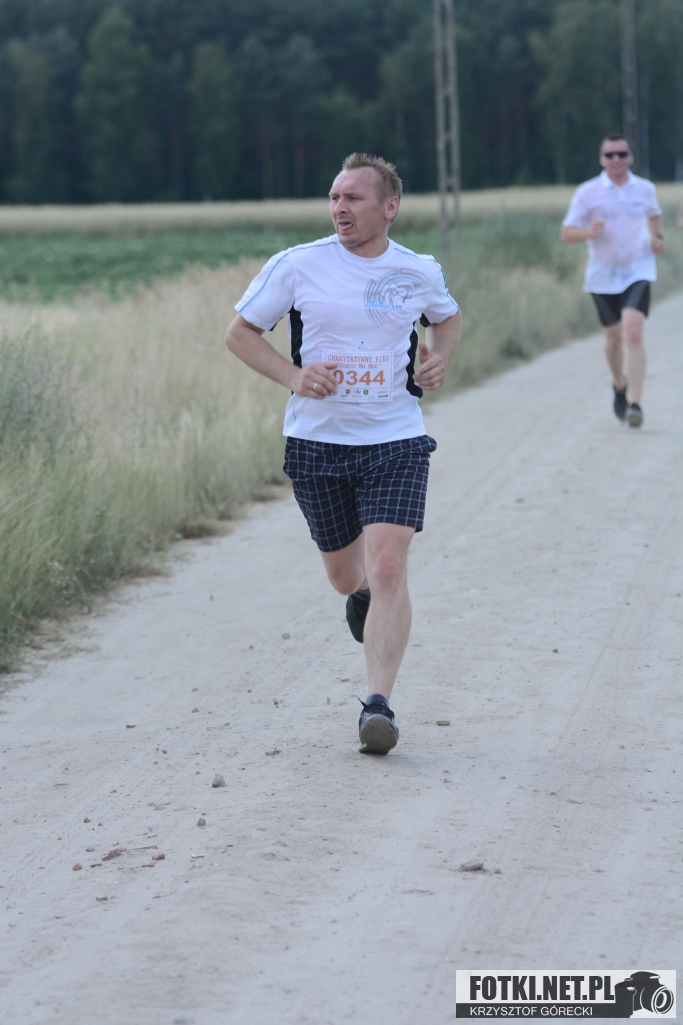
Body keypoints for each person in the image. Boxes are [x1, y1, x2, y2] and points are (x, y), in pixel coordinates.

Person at [225, 153, 461, 754]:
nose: (340, 208)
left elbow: (447, 317)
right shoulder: (297, 265)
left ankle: (377, 706)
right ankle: (359, 597)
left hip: (395, 439)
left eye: (354, 198)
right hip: (318, 444)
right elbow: (240, 334)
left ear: (390, 207)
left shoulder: (417, 270)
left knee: (388, 566)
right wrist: (294, 376)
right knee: (345, 576)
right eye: (334, 197)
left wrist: (438, 357)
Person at [561, 134, 664, 427]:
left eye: (622, 154)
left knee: (633, 332)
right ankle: (619, 383)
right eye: (610, 155)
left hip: (638, 269)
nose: (616, 159)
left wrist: (657, 237)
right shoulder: (588, 192)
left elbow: (655, 216)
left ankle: (635, 404)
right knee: (613, 339)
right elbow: (567, 233)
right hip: (603, 275)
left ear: (630, 157)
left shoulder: (645, 188)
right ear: (601, 159)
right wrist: (587, 233)